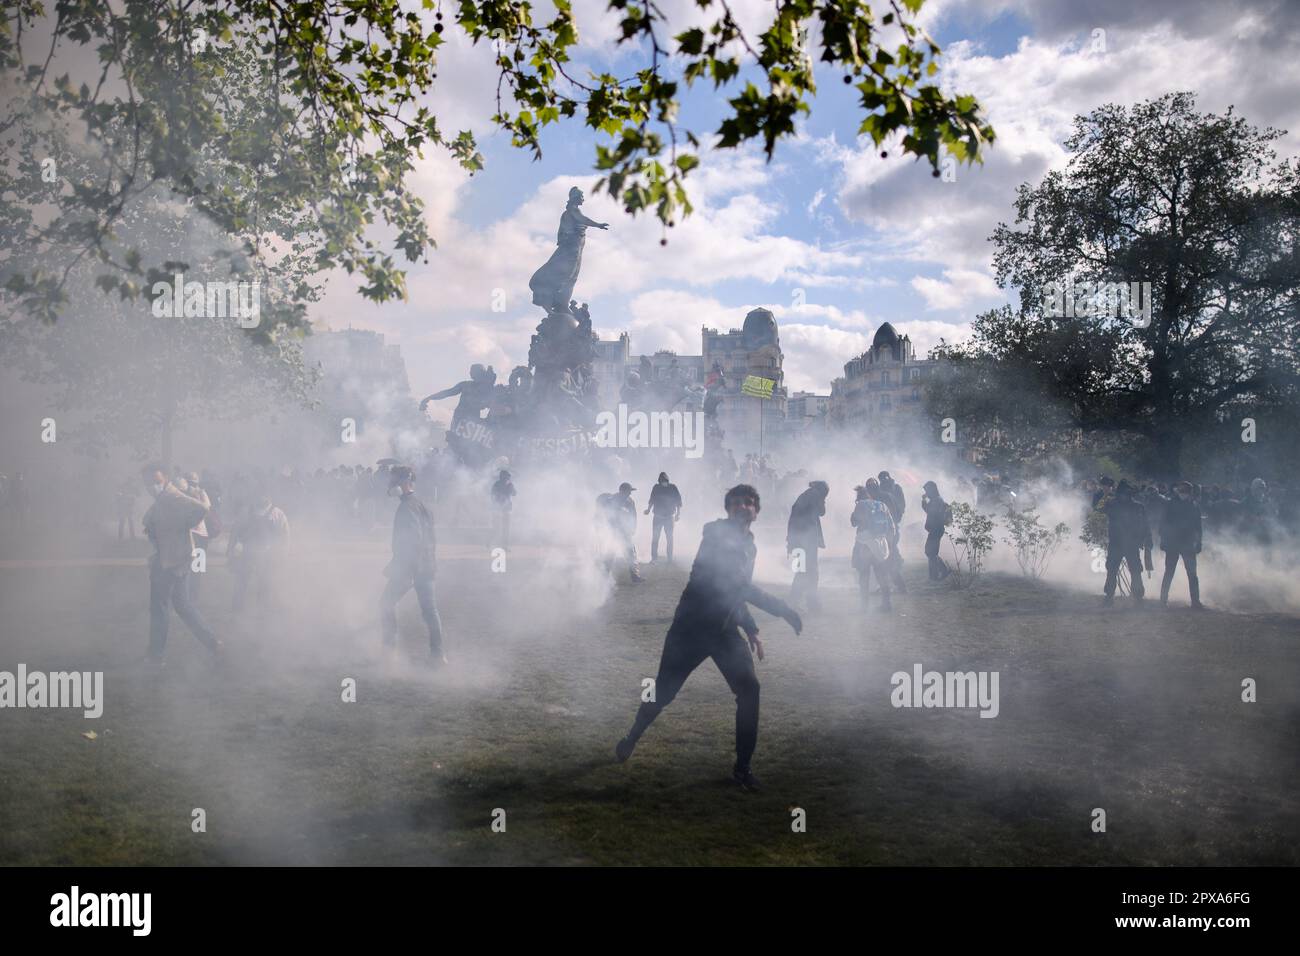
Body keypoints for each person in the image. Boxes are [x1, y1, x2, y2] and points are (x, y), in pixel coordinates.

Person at [614, 484, 802, 791]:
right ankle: (632, 736)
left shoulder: (750, 544)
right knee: (663, 691)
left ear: (757, 511)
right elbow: (733, 584)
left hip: (724, 630)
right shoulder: (715, 533)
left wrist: (751, 628)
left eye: (751, 502)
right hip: (690, 628)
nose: (745, 506)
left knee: (750, 690)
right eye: (738, 502)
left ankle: (742, 770)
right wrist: (781, 608)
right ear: (728, 508)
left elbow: (735, 593)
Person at [140, 464, 222, 663]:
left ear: (165, 479)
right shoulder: (162, 498)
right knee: (183, 605)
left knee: (159, 607)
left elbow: (202, 508)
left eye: (156, 481)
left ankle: (155, 655)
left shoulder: (171, 496)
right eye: (148, 482)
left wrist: (184, 525)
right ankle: (213, 643)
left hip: (171, 561)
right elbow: (148, 521)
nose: (152, 486)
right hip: (175, 558)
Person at [380, 466, 447, 665]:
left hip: (410, 568)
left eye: (394, 480)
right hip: (427, 567)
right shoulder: (422, 505)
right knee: (430, 611)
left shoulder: (406, 507)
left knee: (385, 604)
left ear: (405, 482)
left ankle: (388, 652)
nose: (391, 485)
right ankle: (438, 655)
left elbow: (414, 540)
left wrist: (408, 570)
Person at [227, 493, 291, 612]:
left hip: (260, 553)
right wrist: (230, 550)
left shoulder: (276, 513)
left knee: (253, 583)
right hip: (255, 553)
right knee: (248, 583)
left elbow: (285, 536)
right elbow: (235, 531)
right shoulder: (276, 513)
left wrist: (283, 553)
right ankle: (246, 610)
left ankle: (247, 610)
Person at [1102, 480, 1152, 606]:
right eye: (1122, 493)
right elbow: (1103, 515)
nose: (1124, 495)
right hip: (1116, 543)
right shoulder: (1111, 504)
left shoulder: (1138, 506)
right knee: (1112, 570)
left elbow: (1145, 524)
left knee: (1135, 571)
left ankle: (1138, 597)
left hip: (1132, 544)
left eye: (1127, 493)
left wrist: (1147, 539)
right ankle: (1109, 596)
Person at [851, 482, 897, 610]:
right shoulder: (882, 505)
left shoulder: (860, 505)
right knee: (881, 575)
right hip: (881, 544)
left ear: (859, 496)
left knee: (864, 575)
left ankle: (864, 606)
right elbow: (892, 527)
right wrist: (890, 545)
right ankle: (887, 604)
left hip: (864, 544)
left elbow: (854, 522)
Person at [1159, 480, 1203, 609]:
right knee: (1169, 572)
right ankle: (1163, 601)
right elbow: (1163, 523)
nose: (1184, 493)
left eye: (1186, 491)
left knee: (1192, 574)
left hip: (1188, 543)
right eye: (1182, 490)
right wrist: (1163, 540)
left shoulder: (1194, 505)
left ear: (1190, 493)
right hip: (1173, 543)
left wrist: (1199, 542)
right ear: (1178, 491)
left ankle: (1195, 602)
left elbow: (1198, 527)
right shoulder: (1170, 504)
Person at [786, 480, 829, 611]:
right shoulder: (815, 495)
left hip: (797, 538)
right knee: (810, 571)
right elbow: (822, 512)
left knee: (800, 570)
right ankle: (811, 603)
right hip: (807, 539)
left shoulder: (805, 495)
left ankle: (796, 602)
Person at [597, 482, 644, 584]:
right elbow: (603, 511)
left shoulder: (630, 501)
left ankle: (635, 577)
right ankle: (604, 576)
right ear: (622, 491)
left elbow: (633, 515)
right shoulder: (612, 500)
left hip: (626, 532)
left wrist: (633, 528)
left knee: (631, 555)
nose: (629, 493)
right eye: (628, 491)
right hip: (614, 531)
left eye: (630, 491)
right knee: (610, 554)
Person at [877, 471, 907, 592]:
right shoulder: (880, 490)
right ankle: (892, 581)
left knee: (889, 554)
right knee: (888, 553)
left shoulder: (895, 489)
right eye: (882, 479)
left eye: (885, 478)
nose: (884, 480)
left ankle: (896, 583)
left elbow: (901, 504)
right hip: (883, 526)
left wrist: (897, 516)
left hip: (891, 524)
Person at [645, 471, 682, 563]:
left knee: (669, 538)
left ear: (668, 480)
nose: (663, 482)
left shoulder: (673, 488)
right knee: (655, 537)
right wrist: (648, 509)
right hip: (658, 516)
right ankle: (654, 558)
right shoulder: (656, 488)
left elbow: (678, 501)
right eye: (662, 481)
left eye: (665, 480)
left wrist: (678, 514)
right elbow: (652, 499)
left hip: (669, 517)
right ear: (659, 481)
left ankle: (670, 558)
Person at [920, 480, 952, 581]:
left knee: (930, 552)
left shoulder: (936, 500)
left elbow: (929, 511)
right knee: (931, 552)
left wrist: (924, 501)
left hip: (936, 529)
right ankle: (936, 574)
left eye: (927, 490)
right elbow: (928, 510)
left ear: (932, 490)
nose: (926, 493)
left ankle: (940, 572)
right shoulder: (936, 500)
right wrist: (924, 501)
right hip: (936, 529)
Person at [490, 469, 516, 551]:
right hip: (498, 509)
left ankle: (504, 546)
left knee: (505, 528)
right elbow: (493, 494)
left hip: (506, 509)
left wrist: (511, 489)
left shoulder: (509, 484)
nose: (508, 478)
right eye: (507, 476)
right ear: (502, 476)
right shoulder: (497, 484)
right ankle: (492, 543)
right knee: (497, 528)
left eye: (508, 476)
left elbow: (514, 493)